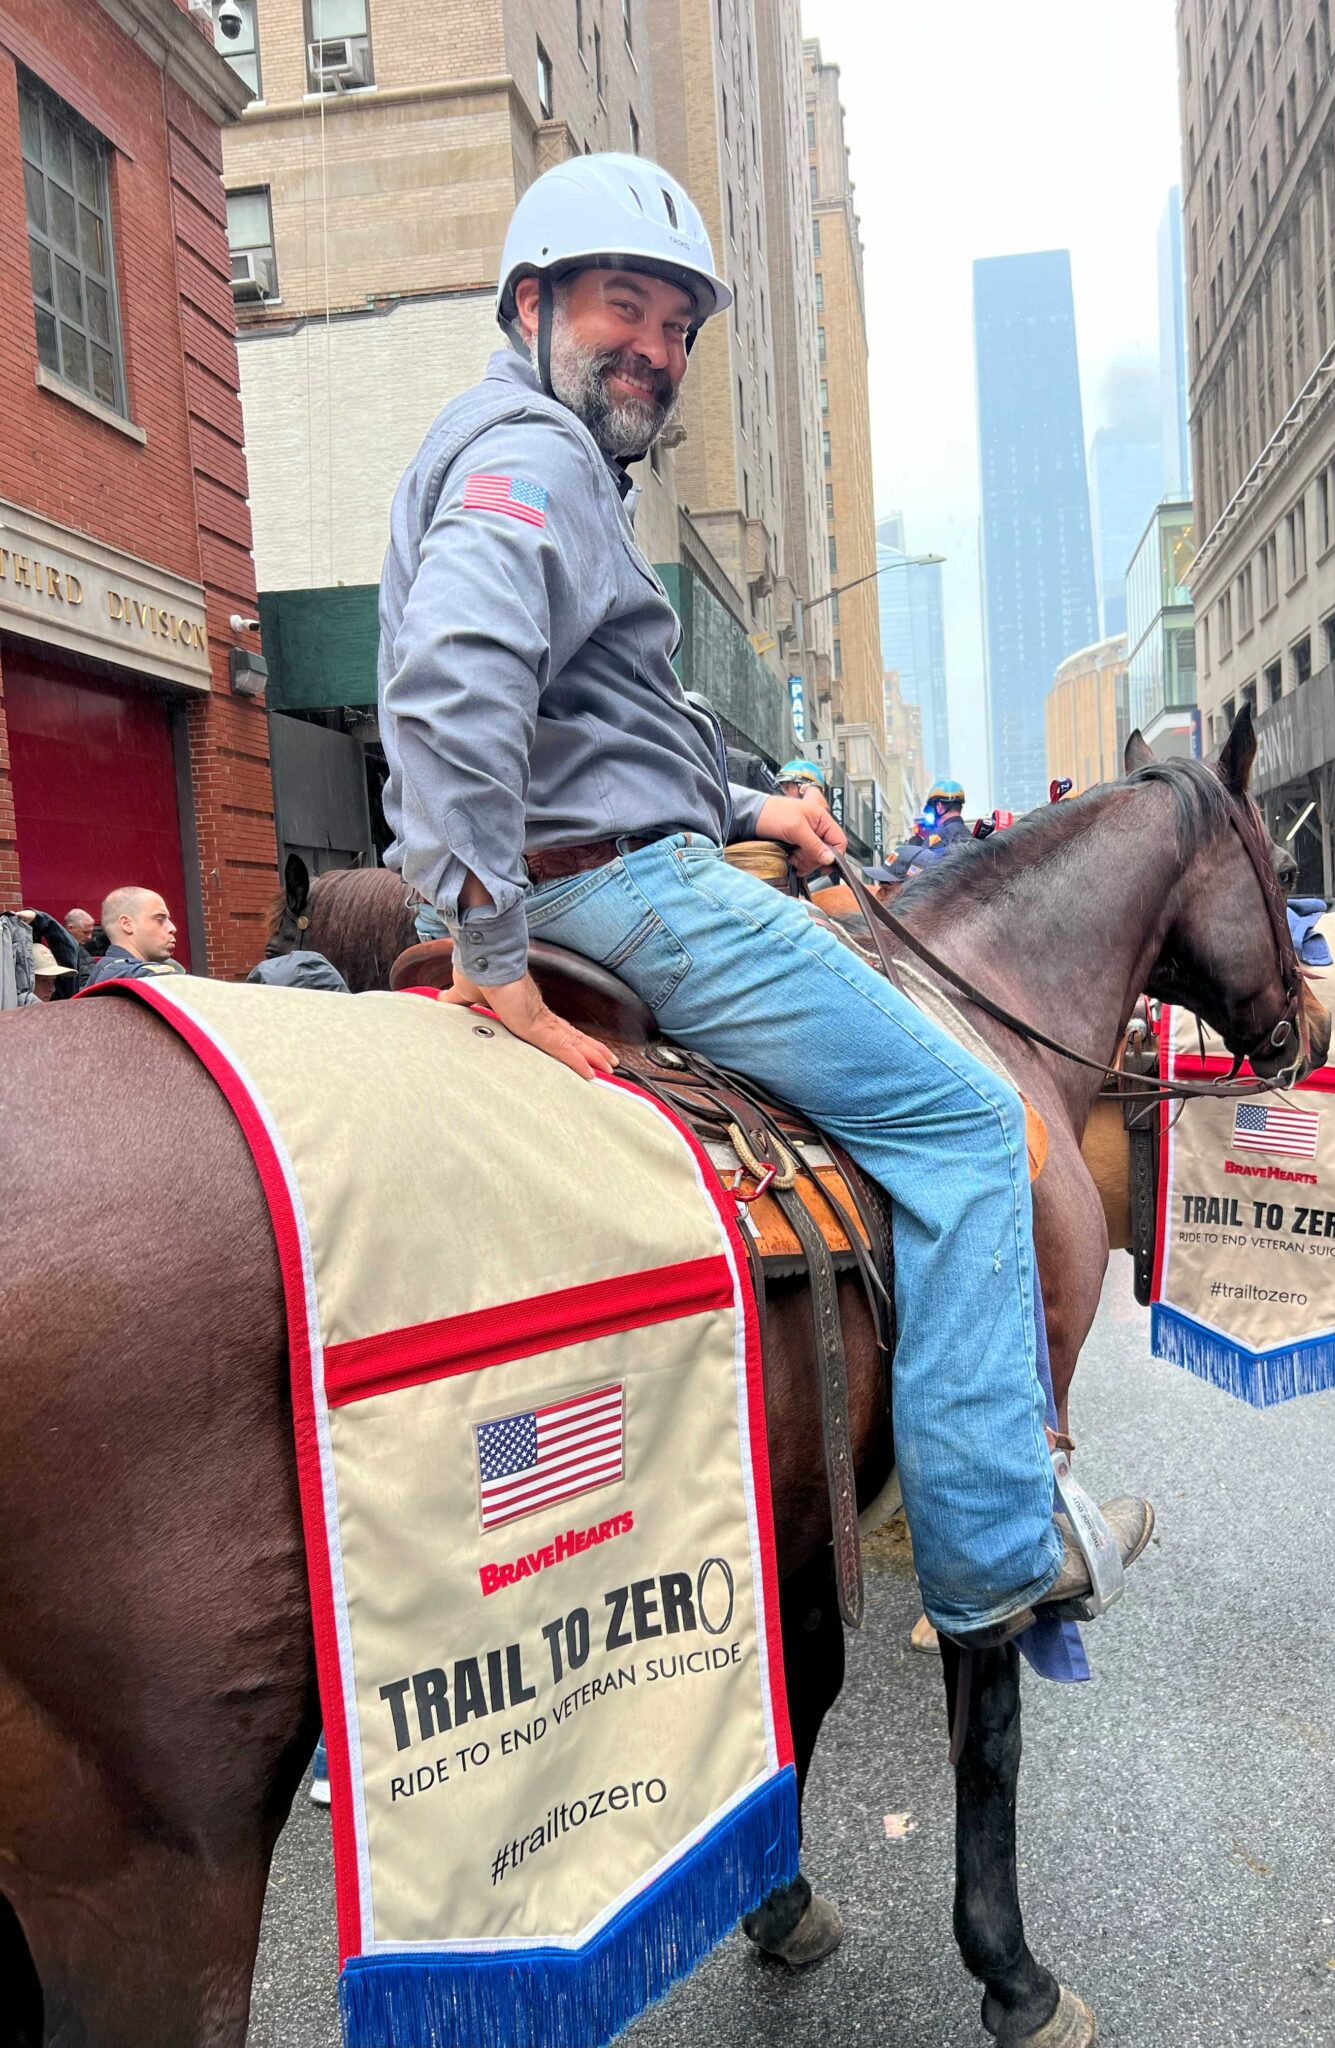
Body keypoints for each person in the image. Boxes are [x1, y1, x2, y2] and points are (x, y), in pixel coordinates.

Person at [376, 152, 1151, 1646]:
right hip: (620, 899)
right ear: (530, 303)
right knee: (972, 1118)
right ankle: (996, 1547)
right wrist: (495, 964)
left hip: (615, 862)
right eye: (625, 308)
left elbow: (582, 738)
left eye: (679, 327)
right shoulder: (528, 458)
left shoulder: (542, 464)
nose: (656, 352)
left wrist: (748, 804)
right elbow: (454, 690)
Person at [83, 887, 185, 988]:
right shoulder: (130, 974)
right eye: (160, 919)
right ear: (127, 924)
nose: (172, 928)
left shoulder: (105, 970)